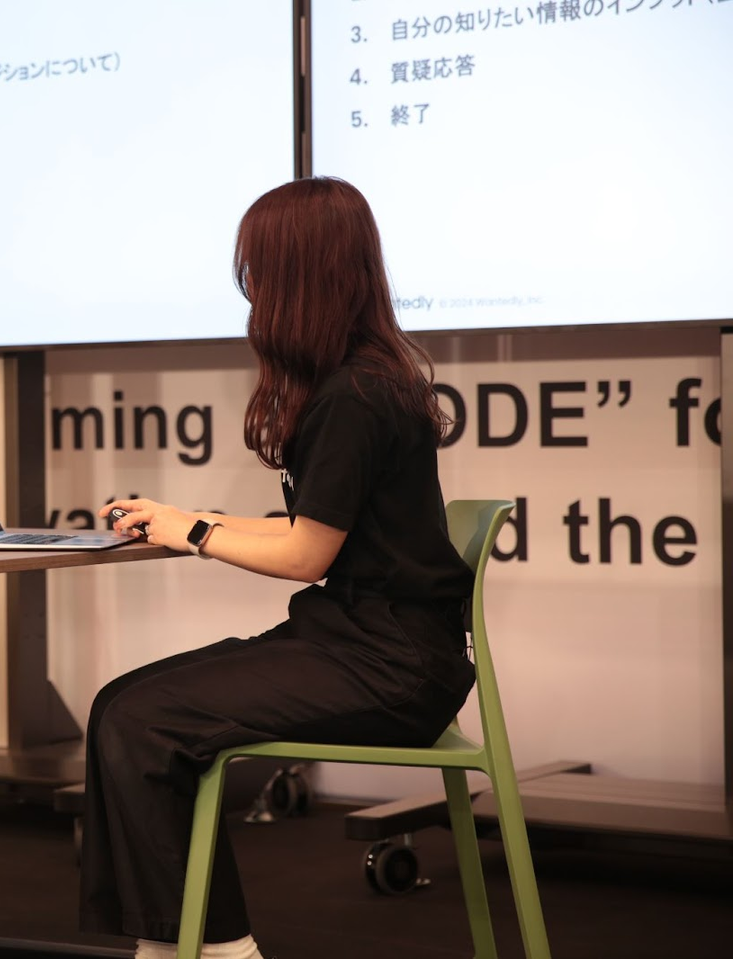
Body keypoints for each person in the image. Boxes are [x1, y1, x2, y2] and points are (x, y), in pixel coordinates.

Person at [82, 178, 476, 959]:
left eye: (258, 270)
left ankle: (219, 950)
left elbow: (304, 555)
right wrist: (182, 520)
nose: (251, 289)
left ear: (299, 277)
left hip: (389, 668)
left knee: (139, 719)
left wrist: (195, 531)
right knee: (121, 704)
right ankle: (173, 945)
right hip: (366, 645)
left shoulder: (354, 395)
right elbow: (314, 529)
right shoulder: (360, 380)